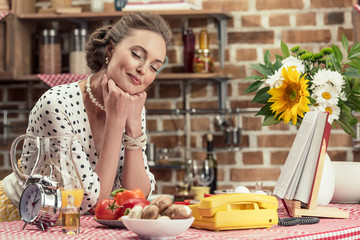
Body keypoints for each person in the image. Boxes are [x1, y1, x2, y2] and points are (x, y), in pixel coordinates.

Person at [0, 12, 172, 222]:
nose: (143, 69)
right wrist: (116, 122)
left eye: (154, 66)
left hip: (74, 222)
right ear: (110, 49)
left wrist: (134, 126)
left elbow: (137, 194)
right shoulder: (56, 105)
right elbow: (88, 202)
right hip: (22, 215)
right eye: (137, 54)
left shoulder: (132, 105)